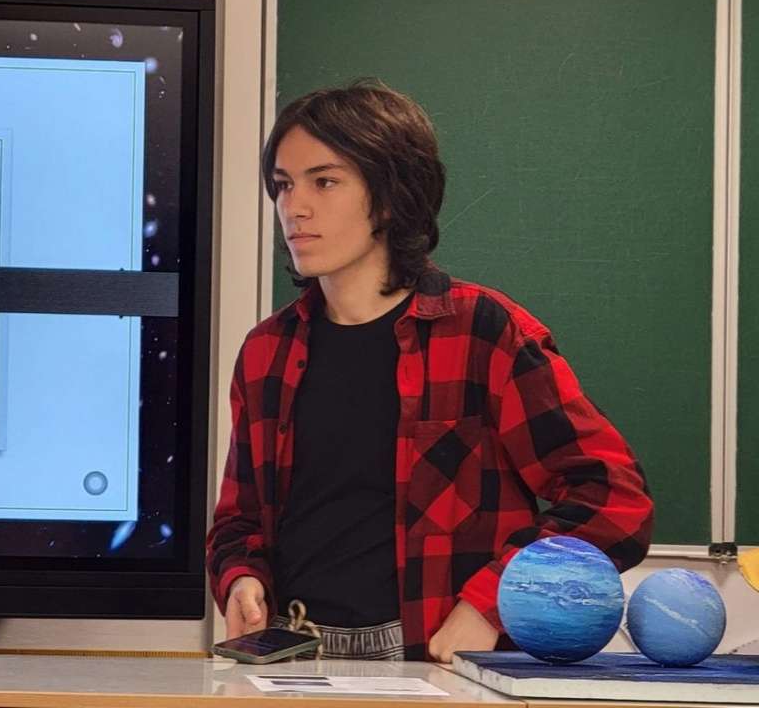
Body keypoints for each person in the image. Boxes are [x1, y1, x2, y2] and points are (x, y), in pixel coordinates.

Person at [206, 80, 654, 662]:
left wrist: (490, 604)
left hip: (433, 660)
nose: (295, 207)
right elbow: (239, 522)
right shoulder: (266, 351)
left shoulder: (483, 332)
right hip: (291, 658)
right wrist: (241, 578)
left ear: (390, 196)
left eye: (325, 181)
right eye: (284, 184)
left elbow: (614, 499)